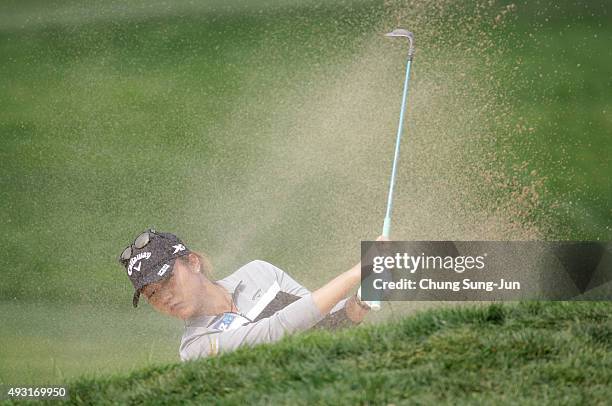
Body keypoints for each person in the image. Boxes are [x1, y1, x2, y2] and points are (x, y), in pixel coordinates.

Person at [118, 229, 380, 361]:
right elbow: (277, 331)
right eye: (151, 294)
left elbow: (324, 327)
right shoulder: (196, 347)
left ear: (193, 263)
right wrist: (359, 270)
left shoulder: (259, 272)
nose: (163, 296)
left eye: (167, 280)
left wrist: (362, 300)